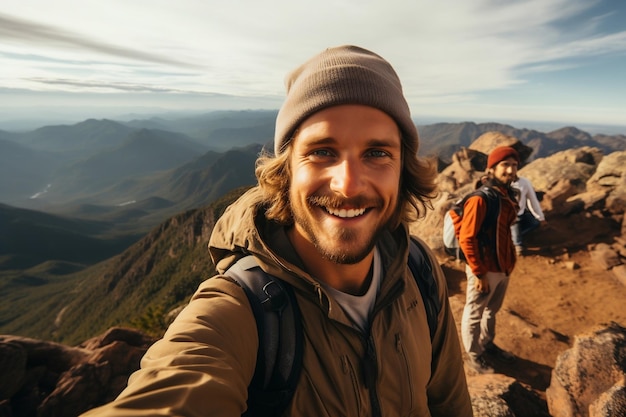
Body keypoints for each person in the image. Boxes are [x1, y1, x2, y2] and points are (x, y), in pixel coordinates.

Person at [81, 45, 473, 416]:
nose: (349, 184)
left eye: (376, 153)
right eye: (322, 151)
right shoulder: (241, 312)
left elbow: (449, 404)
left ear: (403, 169)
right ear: (286, 172)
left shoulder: (418, 271)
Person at [459, 146, 520, 374]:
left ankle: (486, 344)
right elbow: (467, 238)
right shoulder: (481, 199)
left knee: (491, 311)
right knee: (474, 313)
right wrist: (478, 272)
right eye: (505, 165)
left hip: (503, 266)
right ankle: (474, 355)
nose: (510, 170)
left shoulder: (505, 195)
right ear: (492, 168)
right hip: (485, 269)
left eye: (514, 165)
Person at [511, 176, 546, 255]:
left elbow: (532, 200)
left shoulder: (524, 182)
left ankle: (512, 237)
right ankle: (516, 244)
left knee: (535, 222)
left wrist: (540, 217)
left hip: (520, 214)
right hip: (504, 217)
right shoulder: (496, 183)